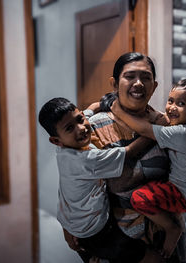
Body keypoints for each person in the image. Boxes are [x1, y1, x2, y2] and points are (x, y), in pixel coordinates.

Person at [63, 52, 186, 263]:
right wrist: (68, 222)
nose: (138, 83)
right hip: (120, 242)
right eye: (130, 76)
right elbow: (73, 175)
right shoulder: (93, 127)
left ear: (155, 85)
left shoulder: (170, 123)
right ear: (114, 83)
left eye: (146, 77)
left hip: (165, 241)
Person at [38, 97, 162, 263]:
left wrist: (100, 104)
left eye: (80, 119)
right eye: (69, 128)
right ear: (56, 141)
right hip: (95, 232)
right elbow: (130, 151)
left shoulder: (65, 151)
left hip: (75, 222)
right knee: (152, 258)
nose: (81, 128)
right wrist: (156, 130)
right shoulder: (86, 160)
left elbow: (91, 108)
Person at [110, 78, 186, 258]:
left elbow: (145, 130)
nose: (172, 107)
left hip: (182, 194)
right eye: (170, 100)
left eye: (181, 103)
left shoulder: (183, 134)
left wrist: (119, 111)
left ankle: (171, 228)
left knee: (139, 198)